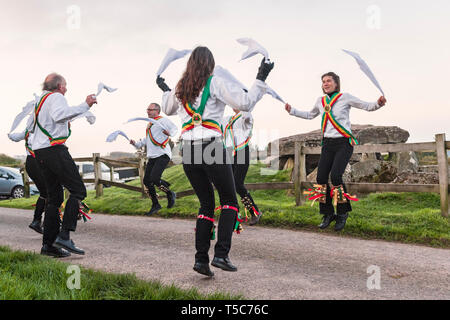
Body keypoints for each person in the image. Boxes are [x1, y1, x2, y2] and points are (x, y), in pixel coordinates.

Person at [158, 46, 274, 277]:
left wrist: (166, 90)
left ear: (190, 63)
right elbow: (245, 102)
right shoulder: (215, 82)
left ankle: (201, 260)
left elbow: (167, 109)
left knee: (205, 204)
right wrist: (261, 76)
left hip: (188, 150)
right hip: (211, 146)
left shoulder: (180, 87)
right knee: (230, 199)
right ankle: (221, 254)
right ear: (210, 64)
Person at [285, 72, 386, 231]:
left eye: (329, 81)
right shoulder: (320, 101)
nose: (325, 84)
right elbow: (310, 115)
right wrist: (292, 110)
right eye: (323, 82)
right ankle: (327, 214)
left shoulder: (345, 97)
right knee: (321, 177)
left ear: (336, 83)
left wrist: (378, 103)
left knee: (336, 176)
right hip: (328, 144)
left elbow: (366, 105)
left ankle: (342, 213)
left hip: (344, 143)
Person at [31, 73, 97, 258]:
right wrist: (86, 105)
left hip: (40, 152)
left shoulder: (41, 101)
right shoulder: (56, 97)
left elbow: (37, 126)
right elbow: (59, 115)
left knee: (54, 197)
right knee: (78, 191)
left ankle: (48, 246)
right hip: (54, 150)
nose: (66, 88)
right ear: (59, 86)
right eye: (65, 85)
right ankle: (65, 235)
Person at [130, 103, 178, 216]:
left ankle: (170, 193)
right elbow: (146, 140)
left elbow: (175, 129)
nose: (147, 111)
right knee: (147, 181)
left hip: (162, 154)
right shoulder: (150, 124)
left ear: (157, 111)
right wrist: (135, 144)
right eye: (147, 109)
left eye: (150, 110)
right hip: (152, 156)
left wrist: (170, 133)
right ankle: (156, 204)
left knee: (155, 179)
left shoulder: (163, 121)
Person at [8, 115, 47, 234]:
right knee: (48, 192)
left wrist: (10, 134)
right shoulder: (41, 131)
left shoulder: (27, 131)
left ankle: (40, 221)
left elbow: (15, 138)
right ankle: (42, 222)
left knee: (46, 193)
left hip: (30, 163)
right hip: (38, 162)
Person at [222, 108, 262, 225]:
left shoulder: (246, 116)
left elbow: (248, 117)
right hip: (231, 153)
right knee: (231, 184)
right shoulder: (228, 119)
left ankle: (254, 212)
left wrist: (245, 106)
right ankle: (234, 214)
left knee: (238, 184)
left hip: (242, 151)